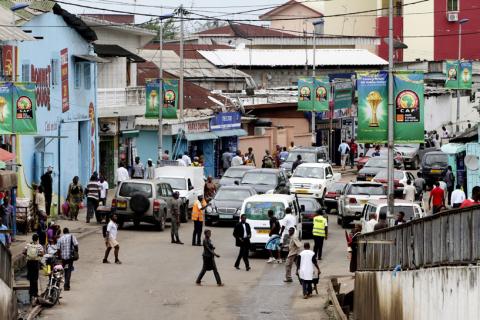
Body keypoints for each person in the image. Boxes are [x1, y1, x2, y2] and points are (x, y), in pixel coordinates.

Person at [23, 234, 44, 303]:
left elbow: (23, 252)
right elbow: (42, 254)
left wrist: (28, 254)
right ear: (37, 239)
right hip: (35, 263)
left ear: (32, 238)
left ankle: (31, 292)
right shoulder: (39, 246)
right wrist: (36, 254)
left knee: (30, 277)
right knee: (35, 278)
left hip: (29, 263)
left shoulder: (28, 245)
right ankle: (35, 293)